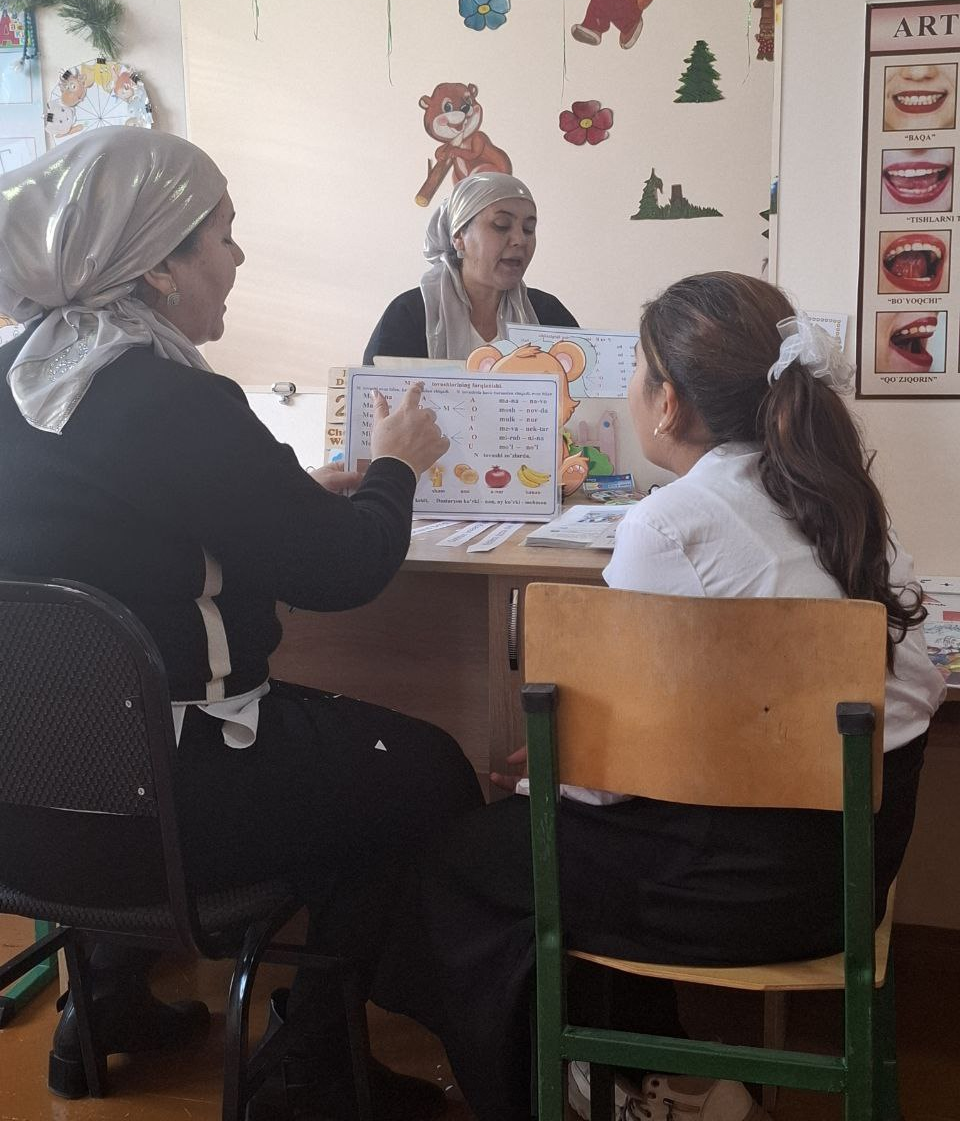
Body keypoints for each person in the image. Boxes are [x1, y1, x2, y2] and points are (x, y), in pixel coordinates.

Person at [369, 272, 944, 1121]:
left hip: (753, 888)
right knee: (573, 841)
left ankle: (556, 1091)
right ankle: (654, 1080)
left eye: (637, 372)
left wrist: (565, 762)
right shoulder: (836, 494)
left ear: (667, 403)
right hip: (856, 863)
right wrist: (595, 756)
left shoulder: (670, 524)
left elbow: (601, 788)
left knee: (468, 862)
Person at [0, 128, 483, 1120]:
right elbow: (342, 570)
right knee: (426, 769)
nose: (239, 255)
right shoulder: (172, 398)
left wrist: (284, 494)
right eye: (223, 234)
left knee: (118, 724)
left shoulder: (19, 376)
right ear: (159, 266)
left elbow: (111, 525)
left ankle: (102, 1004)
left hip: (30, 800)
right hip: (182, 798)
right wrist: (396, 466)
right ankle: (310, 1064)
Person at [362, 173, 578, 363]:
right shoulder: (410, 315)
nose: (520, 240)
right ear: (458, 236)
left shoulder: (549, 315)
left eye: (529, 229)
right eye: (501, 225)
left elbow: (585, 387)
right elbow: (374, 393)